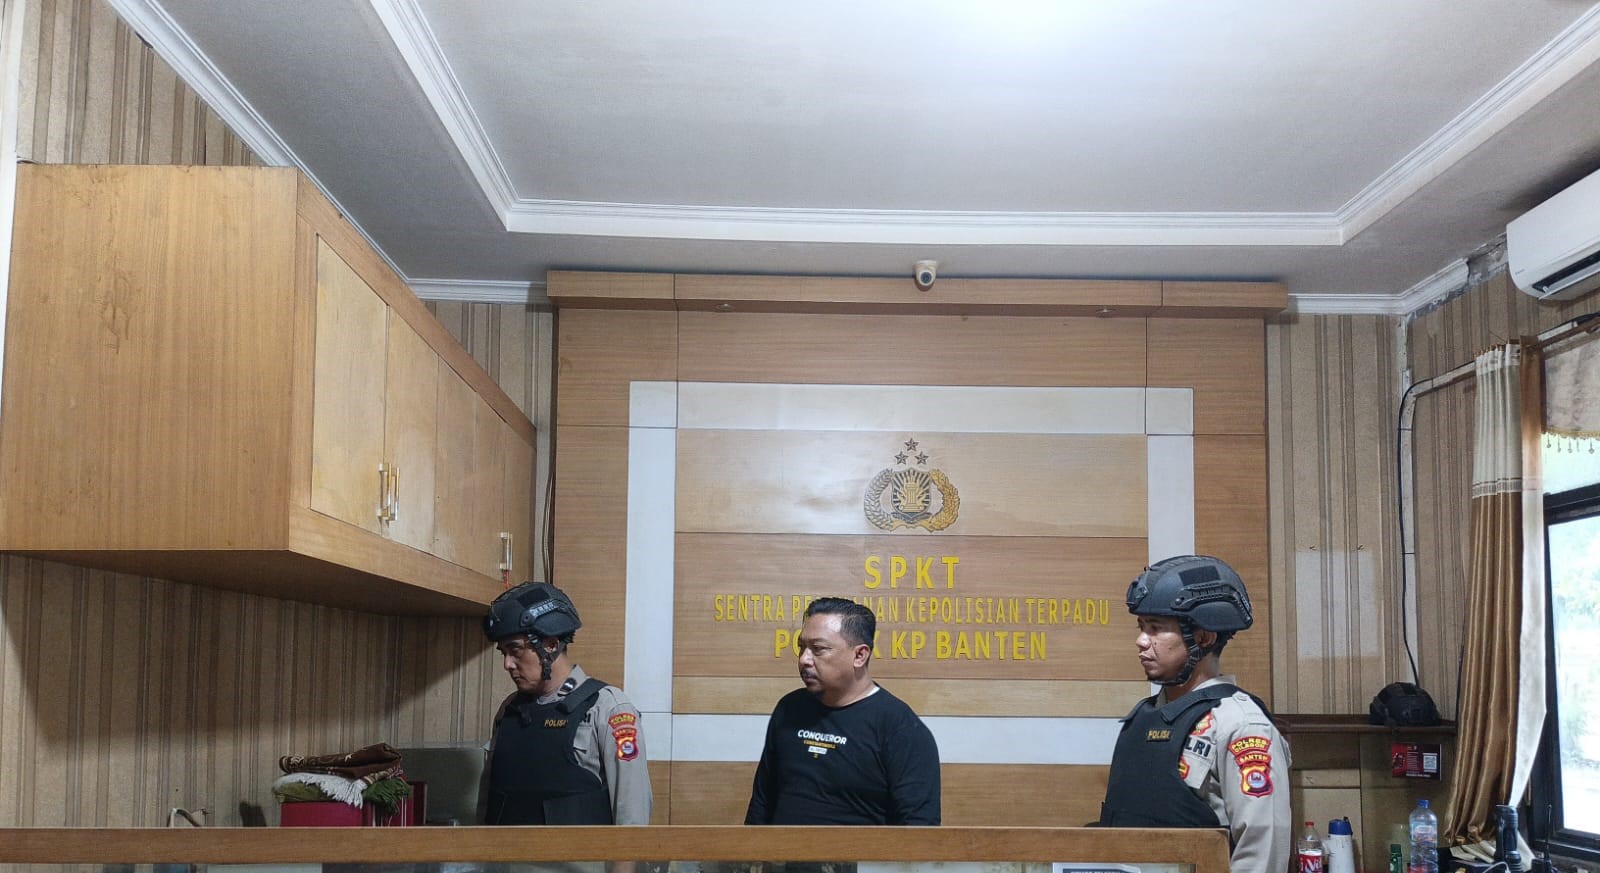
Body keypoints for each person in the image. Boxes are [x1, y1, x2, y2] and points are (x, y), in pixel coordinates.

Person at [1099, 556, 1291, 873]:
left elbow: (1262, 852)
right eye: (1141, 627)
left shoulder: (1241, 724)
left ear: (1203, 637)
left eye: (1156, 629)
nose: (1141, 641)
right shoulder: (1146, 715)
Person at [745, 597, 941, 825]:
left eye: (818, 649)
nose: (804, 659)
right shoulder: (789, 708)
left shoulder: (901, 728)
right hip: (781, 849)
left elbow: (920, 828)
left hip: (861, 850)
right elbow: (761, 804)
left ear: (859, 655)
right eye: (802, 647)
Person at [478, 581, 652, 825]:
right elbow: (487, 805)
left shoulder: (607, 708)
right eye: (503, 652)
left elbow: (632, 818)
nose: (507, 664)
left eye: (515, 650)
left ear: (551, 644)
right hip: (505, 851)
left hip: (581, 853)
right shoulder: (509, 710)